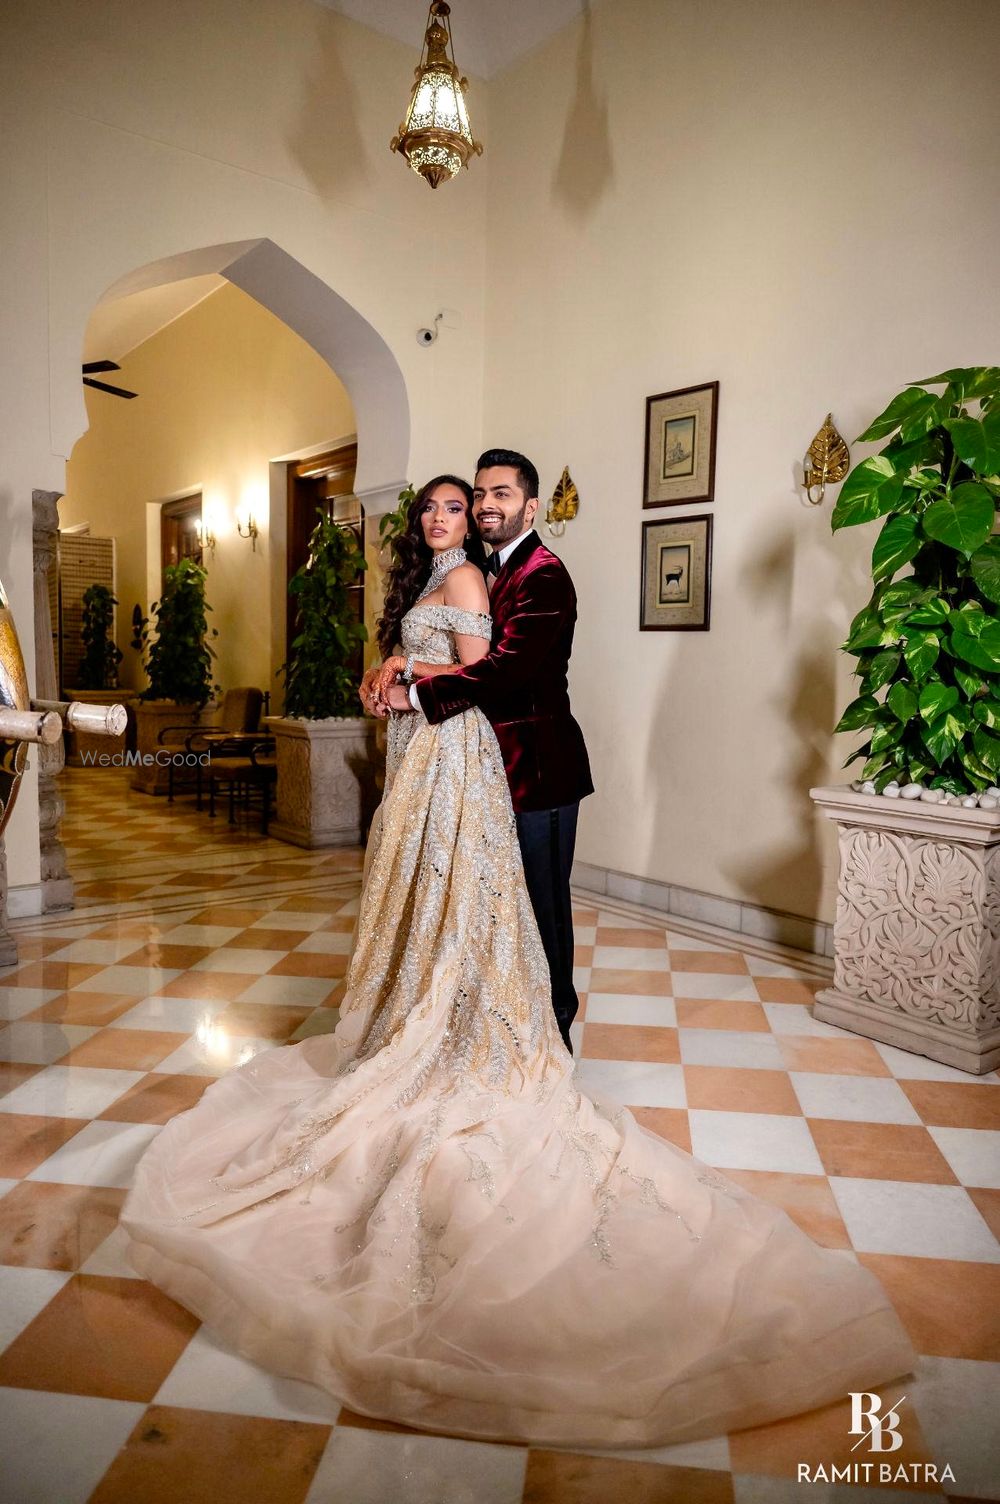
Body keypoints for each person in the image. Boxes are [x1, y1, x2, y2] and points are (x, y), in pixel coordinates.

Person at [123, 472, 914, 1451]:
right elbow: (430, 671)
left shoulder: (505, 582)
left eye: (468, 505)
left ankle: (529, 1032)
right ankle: (469, 1015)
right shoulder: (451, 579)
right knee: (445, 913)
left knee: (516, 916)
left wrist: (413, 683)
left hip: (473, 760)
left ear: (514, 509)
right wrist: (388, 682)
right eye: (442, 509)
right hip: (431, 757)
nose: (451, 518)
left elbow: (497, 673)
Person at [363, 449, 592, 1053]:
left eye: (502, 495)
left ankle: (554, 1038)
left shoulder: (544, 573)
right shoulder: (488, 572)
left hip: (538, 765)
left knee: (542, 907)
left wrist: (412, 687)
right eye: (482, 494)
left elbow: (507, 671)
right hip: (486, 766)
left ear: (531, 506)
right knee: (495, 904)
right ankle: (494, 1027)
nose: (490, 505)